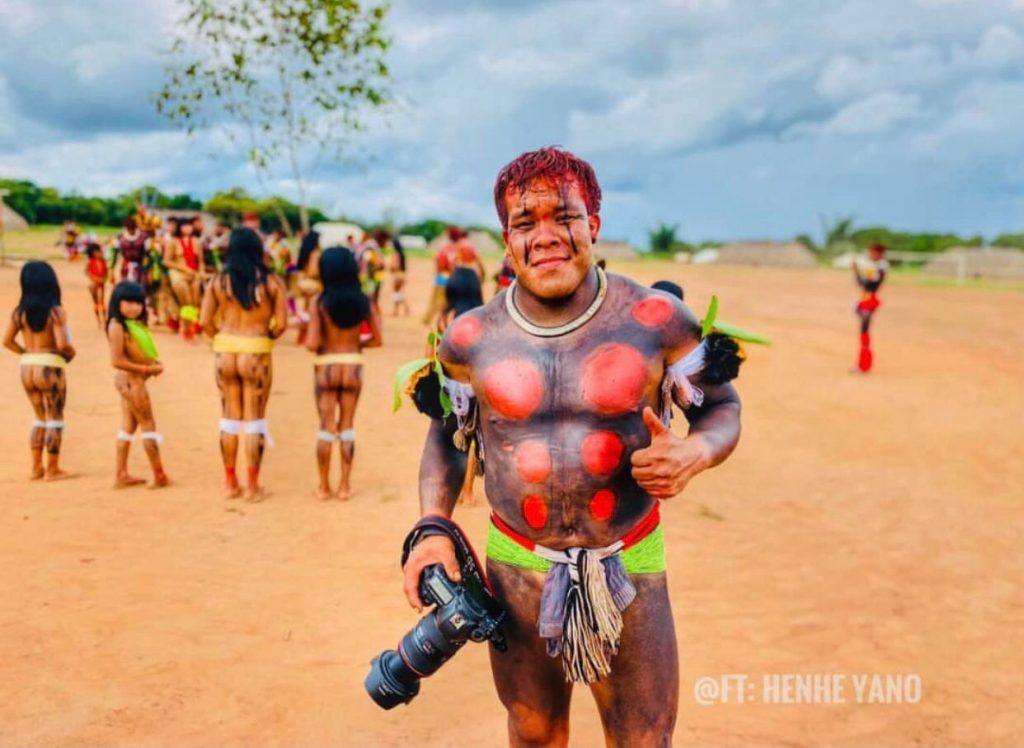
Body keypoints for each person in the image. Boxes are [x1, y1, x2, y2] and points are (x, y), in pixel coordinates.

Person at [400, 147, 741, 747]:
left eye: (565, 217)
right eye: (525, 224)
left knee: (643, 740)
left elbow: (721, 407)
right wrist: (432, 526)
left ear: (594, 224)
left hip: (628, 560)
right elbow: (449, 439)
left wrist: (696, 453)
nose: (547, 237)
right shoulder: (469, 338)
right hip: (517, 564)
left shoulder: (656, 319)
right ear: (506, 240)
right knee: (534, 734)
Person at [200, 227, 288, 501]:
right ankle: (252, 486)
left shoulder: (218, 281)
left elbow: (204, 321)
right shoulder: (271, 282)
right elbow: (282, 323)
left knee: (229, 418)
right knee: (254, 420)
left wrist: (222, 340)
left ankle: (230, 483)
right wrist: (265, 338)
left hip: (225, 350)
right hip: (256, 351)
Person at [304, 247, 382, 501]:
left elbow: (312, 343)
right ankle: (345, 486)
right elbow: (377, 340)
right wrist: (357, 344)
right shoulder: (364, 301)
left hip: (326, 367)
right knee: (347, 427)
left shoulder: (319, 302)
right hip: (352, 365)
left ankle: (324, 486)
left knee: (326, 428)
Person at [3, 261, 76, 480]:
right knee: (54, 417)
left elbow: (7, 341)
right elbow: (63, 344)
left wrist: (27, 352)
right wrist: (69, 355)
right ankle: (52, 468)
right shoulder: (55, 312)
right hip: (50, 365)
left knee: (38, 417)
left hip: (27, 366)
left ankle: (36, 467)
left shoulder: (19, 313)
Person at [106, 281, 169, 489]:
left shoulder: (130, 325)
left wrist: (152, 365)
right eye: (129, 302)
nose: (134, 307)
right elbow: (116, 360)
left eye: (138, 303)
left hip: (132, 381)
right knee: (148, 425)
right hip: (134, 382)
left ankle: (121, 474)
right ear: (118, 302)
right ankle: (159, 474)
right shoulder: (117, 325)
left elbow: (136, 353)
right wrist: (147, 370)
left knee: (128, 427)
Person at [431, 266, 485, 506]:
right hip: (474, 384)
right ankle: (469, 491)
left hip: (448, 386)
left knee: (448, 436)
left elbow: (431, 353)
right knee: (472, 437)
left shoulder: (443, 318)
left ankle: (446, 487)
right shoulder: (481, 318)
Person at [163, 215, 205, 341]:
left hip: (194, 273)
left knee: (195, 299)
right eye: (184, 226)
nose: (187, 228)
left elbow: (201, 261)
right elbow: (166, 261)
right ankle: (186, 326)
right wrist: (184, 268)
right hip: (178, 272)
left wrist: (201, 271)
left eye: (189, 226)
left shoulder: (197, 242)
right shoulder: (173, 242)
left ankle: (192, 324)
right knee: (185, 297)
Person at [853, 242, 888, 373]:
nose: (870, 254)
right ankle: (863, 364)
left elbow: (865, 283)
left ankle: (864, 365)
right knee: (863, 333)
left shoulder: (880, 268)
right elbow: (861, 283)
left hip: (870, 300)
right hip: (866, 298)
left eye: (872, 252)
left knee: (864, 332)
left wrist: (857, 271)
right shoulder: (875, 267)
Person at [293, 230, 322, 344]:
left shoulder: (303, 251)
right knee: (312, 311)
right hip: (313, 284)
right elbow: (314, 272)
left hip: (302, 283)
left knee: (303, 311)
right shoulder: (315, 253)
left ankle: (302, 336)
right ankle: (309, 336)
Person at [109, 217, 150, 285]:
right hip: (125, 265)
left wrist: (148, 271)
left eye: (132, 227)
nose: (131, 229)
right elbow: (113, 255)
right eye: (129, 227)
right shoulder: (120, 237)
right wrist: (111, 270)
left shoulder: (144, 237)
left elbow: (148, 255)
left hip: (140, 265)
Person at [84, 241, 108, 327]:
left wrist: (103, 279)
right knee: (96, 303)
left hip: (101, 283)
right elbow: (87, 272)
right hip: (95, 283)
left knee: (102, 302)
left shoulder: (103, 261)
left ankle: (104, 319)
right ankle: (99, 320)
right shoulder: (91, 262)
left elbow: (106, 272)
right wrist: (95, 278)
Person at [389, 234, 410, 317]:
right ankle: (401, 309)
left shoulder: (396, 254)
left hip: (397, 275)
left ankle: (399, 309)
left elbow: (395, 266)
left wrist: (390, 268)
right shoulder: (402, 254)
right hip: (402, 274)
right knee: (398, 294)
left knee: (396, 294)